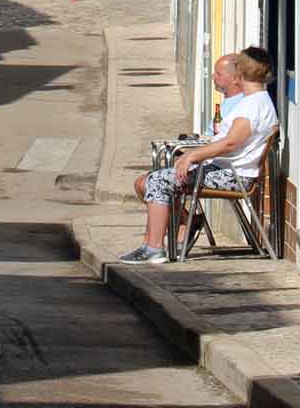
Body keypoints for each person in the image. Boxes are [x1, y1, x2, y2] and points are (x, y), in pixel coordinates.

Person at [116, 47, 277, 264]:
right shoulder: (258, 101)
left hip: (232, 175)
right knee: (158, 178)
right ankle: (158, 242)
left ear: (240, 74)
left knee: (159, 181)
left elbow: (231, 142)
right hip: (227, 170)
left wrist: (193, 156)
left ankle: (154, 247)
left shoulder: (252, 105)